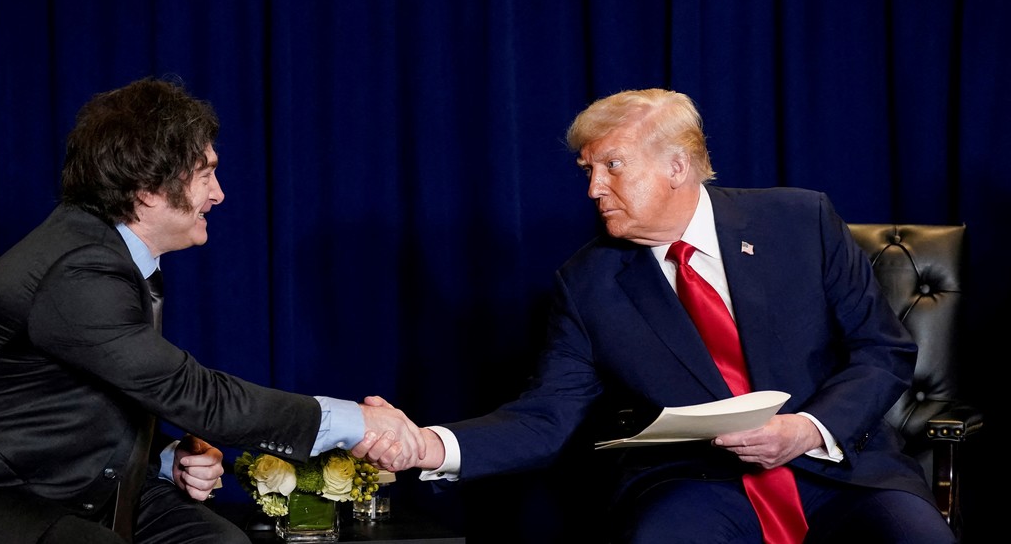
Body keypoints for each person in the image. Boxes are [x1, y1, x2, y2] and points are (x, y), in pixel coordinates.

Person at [374, 88, 954, 543]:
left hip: (842, 467)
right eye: (588, 170)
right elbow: (546, 418)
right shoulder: (587, 283)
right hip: (699, 483)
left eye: (613, 166)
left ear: (677, 166)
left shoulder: (801, 221)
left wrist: (809, 428)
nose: (594, 188)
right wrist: (428, 445)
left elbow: (882, 351)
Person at [0, 77, 423, 544]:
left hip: (60, 475)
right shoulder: (77, 268)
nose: (219, 194)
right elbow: (189, 391)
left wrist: (163, 457)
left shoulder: (109, 253)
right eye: (205, 175)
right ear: (147, 189)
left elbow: (70, 399)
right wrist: (355, 422)